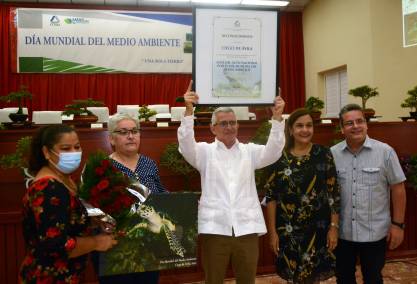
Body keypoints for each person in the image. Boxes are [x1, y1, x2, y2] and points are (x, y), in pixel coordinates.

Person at [178, 81, 286, 284]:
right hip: (215, 229)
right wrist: (189, 112)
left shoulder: (249, 151)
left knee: (247, 281)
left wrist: (278, 118)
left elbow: (273, 152)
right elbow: (185, 145)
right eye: (224, 123)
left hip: (246, 229)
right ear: (212, 128)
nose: (229, 127)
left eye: (233, 122)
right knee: (214, 280)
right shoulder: (204, 152)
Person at [19, 125, 117, 283]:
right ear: (46, 152)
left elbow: (65, 219)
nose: (74, 153)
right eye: (65, 148)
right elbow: (56, 244)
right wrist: (96, 242)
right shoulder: (48, 188)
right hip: (50, 277)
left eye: (77, 147)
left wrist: (92, 221)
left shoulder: (65, 179)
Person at [331, 104, 407, 284]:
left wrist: (398, 225)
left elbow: (398, 189)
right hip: (342, 234)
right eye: (349, 123)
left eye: (360, 121)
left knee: (373, 278)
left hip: (374, 233)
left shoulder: (385, 152)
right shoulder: (332, 154)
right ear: (342, 129)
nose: (355, 126)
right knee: (343, 278)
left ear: (366, 124)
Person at [264, 108, 340, 283]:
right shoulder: (277, 157)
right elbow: (271, 197)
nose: (305, 130)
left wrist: (334, 227)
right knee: (294, 277)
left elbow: (333, 193)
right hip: (288, 231)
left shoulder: (323, 154)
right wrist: (273, 232)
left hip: (318, 229)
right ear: (290, 129)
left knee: (313, 277)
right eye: (299, 126)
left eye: (309, 125)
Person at [96, 113, 167, 284]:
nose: (130, 136)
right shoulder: (102, 168)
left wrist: (178, 202)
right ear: (112, 139)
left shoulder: (149, 163)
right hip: (117, 248)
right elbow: (93, 209)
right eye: (123, 132)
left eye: (134, 131)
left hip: (148, 247)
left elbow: (160, 192)